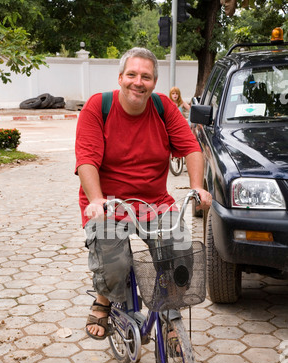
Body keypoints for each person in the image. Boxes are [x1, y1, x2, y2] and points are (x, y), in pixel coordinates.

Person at [75, 47, 212, 340]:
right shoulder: (99, 106)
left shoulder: (163, 107)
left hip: (154, 204)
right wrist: (96, 199)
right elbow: (86, 159)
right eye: (132, 75)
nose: (138, 82)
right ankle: (104, 298)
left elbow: (190, 148)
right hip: (109, 204)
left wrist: (198, 186)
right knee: (116, 265)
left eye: (146, 77)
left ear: (154, 82)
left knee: (180, 253)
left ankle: (169, 313)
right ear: (121, 77)